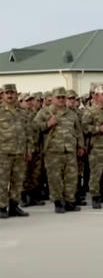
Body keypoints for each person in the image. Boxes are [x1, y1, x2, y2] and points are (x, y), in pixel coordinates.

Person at [36, 87, 84, 212]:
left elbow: (78, 131)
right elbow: (34, 128)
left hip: (69, 150)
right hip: (53, 151)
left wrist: (80, 146)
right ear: (52, 98)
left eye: (64, 97)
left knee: (71, 177)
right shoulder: (45, 113)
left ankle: (69, 201)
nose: (62, 100)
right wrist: (48, 124)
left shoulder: (71, 114)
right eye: (59, 97)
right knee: (55, 178)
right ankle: (58, 202)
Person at [0, 84, 29, 218]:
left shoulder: (22, 112)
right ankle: (1, 207)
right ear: (3, 95)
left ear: (16, 94)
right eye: (7, 93)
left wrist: (29, 149)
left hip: (19, 152)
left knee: (17, 181)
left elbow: (28, 132)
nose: (10, 95)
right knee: (2, 181)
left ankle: (13, 206)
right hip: (3, 152)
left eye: (12, 93)